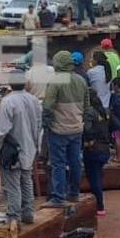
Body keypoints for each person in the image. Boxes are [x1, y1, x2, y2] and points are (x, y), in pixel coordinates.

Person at [0, 80, 42, 229]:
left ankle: (14, 217)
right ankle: (28, 213)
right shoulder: (34, 100)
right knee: (26, 180)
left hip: (11, 149)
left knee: (13, 184)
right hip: (29, 147)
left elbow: (1, 130)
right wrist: (36, 146)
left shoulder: (7, 101)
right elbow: (39, 125)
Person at [43, 51, 89, 204]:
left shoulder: (55, 81)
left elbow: (48, 106)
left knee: (58, 164)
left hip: (58, 130)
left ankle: (58, 197)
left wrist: (46, 123)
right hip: (77, 128)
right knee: (75, 161)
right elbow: (87, 106)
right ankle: (74, 193)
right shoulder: (81, 80)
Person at [81, 85, 111, 216]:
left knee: (94, 178)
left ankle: (99, 206)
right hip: (105, 149)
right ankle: (99, 204)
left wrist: (89, 140)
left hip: (93, 149)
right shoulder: (105, 111)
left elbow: (87, 129)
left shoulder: (89, 112)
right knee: (97, 175)